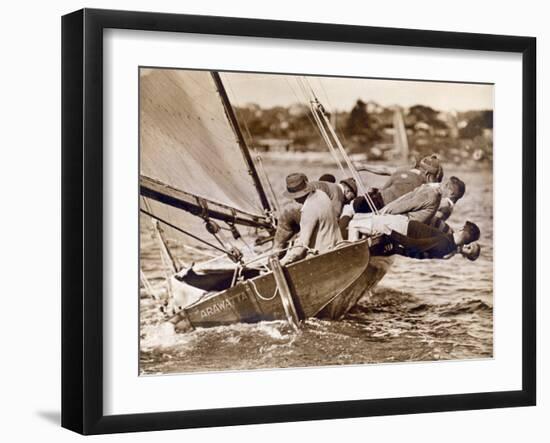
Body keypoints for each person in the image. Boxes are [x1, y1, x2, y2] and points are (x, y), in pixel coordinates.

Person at [348, 213, 480, 260]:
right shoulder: (448, 241)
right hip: (403, 226)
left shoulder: (445, 243)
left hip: (401, 228)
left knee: (354, 224)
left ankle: (349, 256)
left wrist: (390, 233)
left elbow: (415, 246)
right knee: (361, 221)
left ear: (462, 229)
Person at [279, 173, 342, 266]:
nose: (294, 200)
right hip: (337, 246)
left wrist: (281, 262)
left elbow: (301, 247)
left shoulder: (308, 210)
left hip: (323, 255)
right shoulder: (321, 194)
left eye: (294, 197)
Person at [381, 176, 466, 224]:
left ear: (451, 193)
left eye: (445, 185)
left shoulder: (445, 204)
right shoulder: (449, 207)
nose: (441, 185)